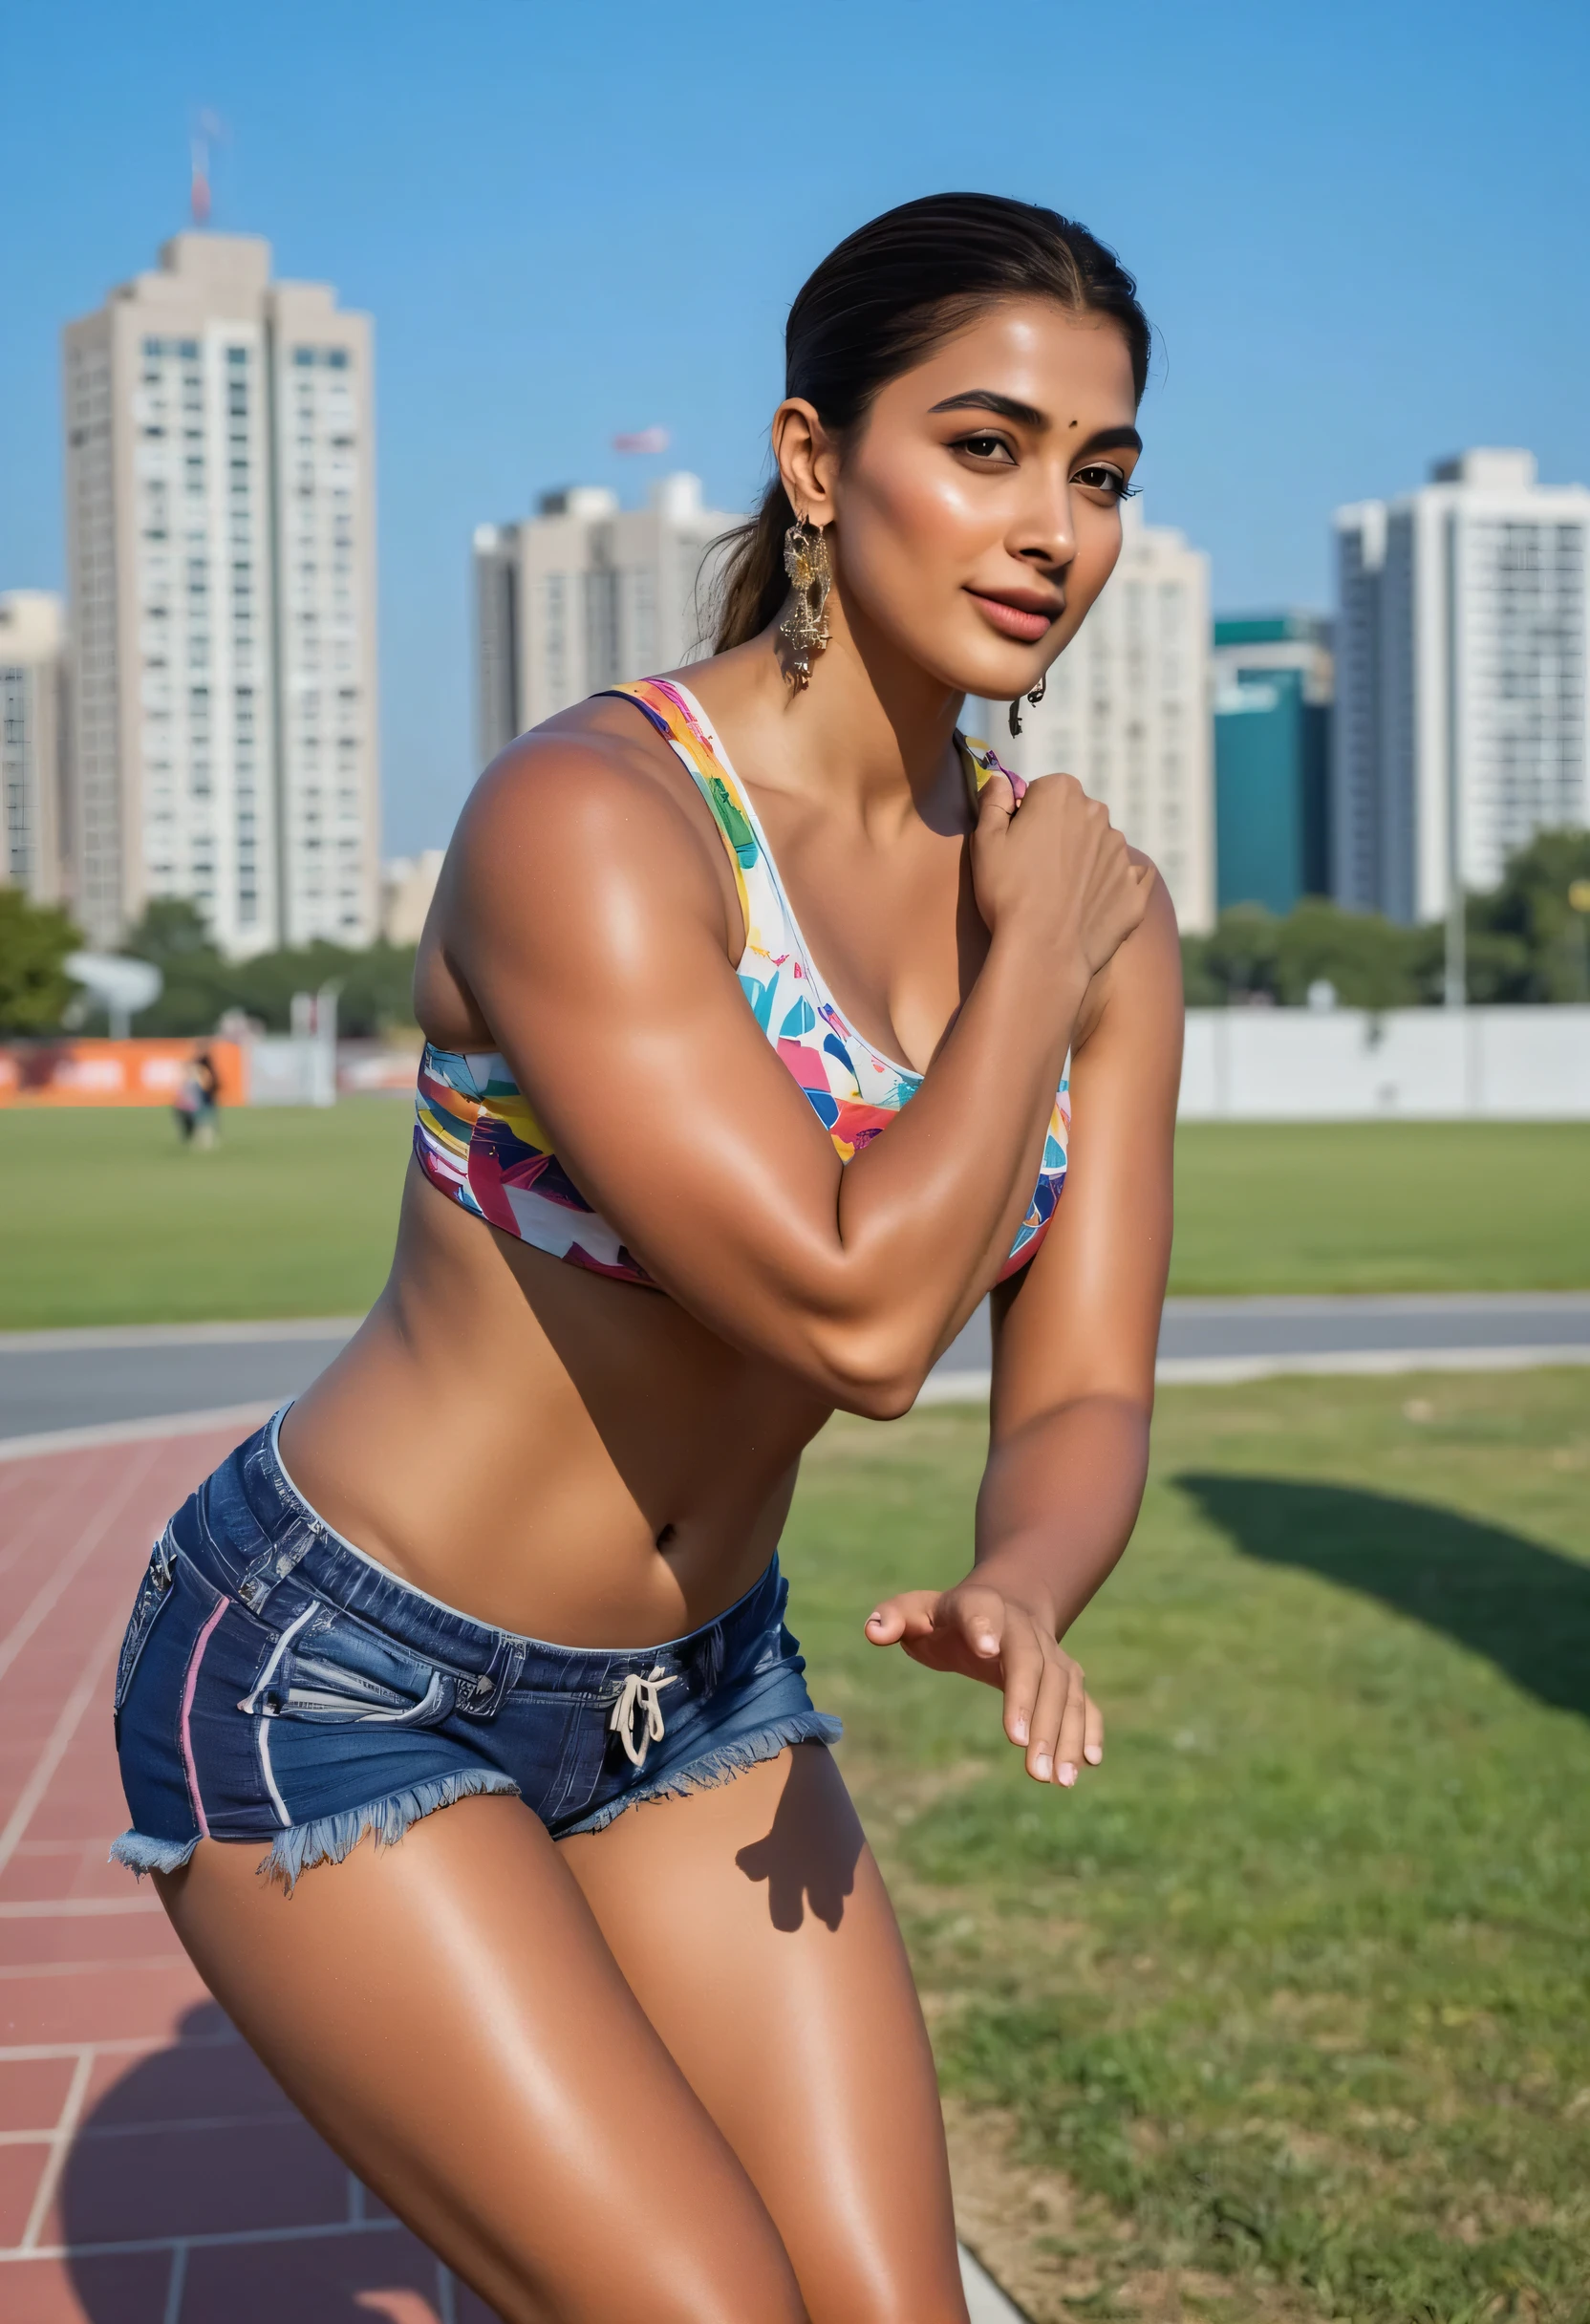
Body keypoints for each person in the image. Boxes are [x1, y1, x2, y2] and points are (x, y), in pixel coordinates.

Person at [110, 193, 1181, 2323]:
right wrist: (1032, 954)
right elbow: (866, 1312)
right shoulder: (593, 820)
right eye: (983, 446)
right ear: (813, 462)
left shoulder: (1088, 911)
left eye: (1100, 469)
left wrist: (1024, 1576)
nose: (1050, 524)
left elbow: (1077, 1388)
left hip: (696, 1693)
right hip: (336, 1677)